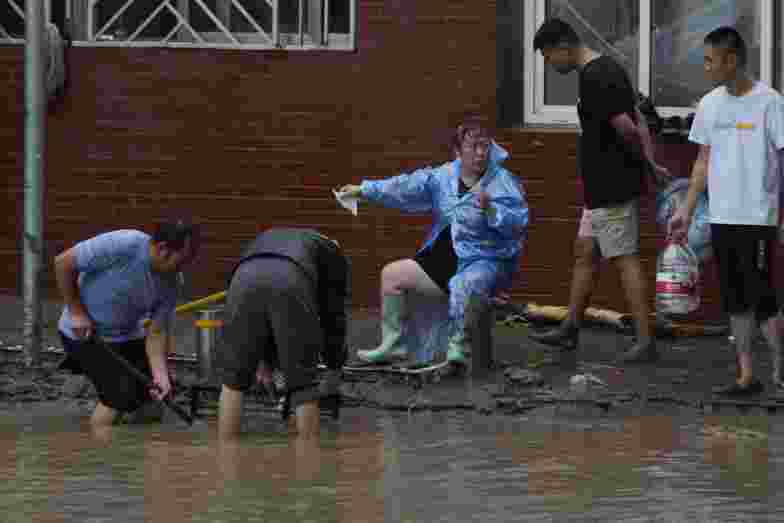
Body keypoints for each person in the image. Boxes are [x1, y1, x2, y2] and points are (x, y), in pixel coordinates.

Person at [335, 115, 528, 369]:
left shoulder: (503, 182)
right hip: (445, 257)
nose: (481, 153)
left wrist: (492, 210)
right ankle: (395, 345)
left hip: (487, 261)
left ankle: (457, 350)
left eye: (485, 146)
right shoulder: (443, 177)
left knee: (464, 284)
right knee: (392, 275)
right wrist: (364, 190)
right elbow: (404, 187)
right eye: (473, 147)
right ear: (458, 151)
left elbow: (518, 222)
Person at [528, 18, 670, 363]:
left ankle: (645, 341)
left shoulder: (595, 77)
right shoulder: (605, 69)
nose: (550, 65)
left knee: (624, 259)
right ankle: (571, 327)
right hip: (599, 189)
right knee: (585, 253)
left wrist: (648, 167)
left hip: (611, 186)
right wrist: (649, 163)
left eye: (549, 57)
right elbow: (637, 117)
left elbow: (627, 128)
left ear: (561, 45)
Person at [667, 26, 784, 400]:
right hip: (722, 217)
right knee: (735, 300)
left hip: (758, 218)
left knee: (764, 301)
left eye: (711, 60)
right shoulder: (709, 105)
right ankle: (746, 376)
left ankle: (781, 374)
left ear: (732, 59)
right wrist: (686, 210)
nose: (706, 67)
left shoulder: (771, 102)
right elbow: (701, 163)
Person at [55, 220, 199, 427]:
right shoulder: (124, 244)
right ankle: (94, 451)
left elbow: (156, 333)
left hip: (128, 336)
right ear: (162, 249)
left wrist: (161, 377)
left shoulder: (172, 282)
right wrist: (76, 312)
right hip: (84, 334)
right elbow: (63, 263)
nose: (183, 268)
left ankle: (135, 451)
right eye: (182, 261)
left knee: (155, 399)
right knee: (119, 398)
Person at [216, 227, 349, 439]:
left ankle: (225, 454)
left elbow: (256, 315)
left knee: (233, 382)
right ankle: (309, 460)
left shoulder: (270, 237)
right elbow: (333, 318)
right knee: (304, 385)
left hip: (242, 278)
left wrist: (261, 361)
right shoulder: (334, 256)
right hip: (291, 278)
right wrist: (334, 367)